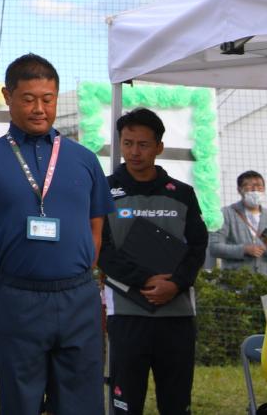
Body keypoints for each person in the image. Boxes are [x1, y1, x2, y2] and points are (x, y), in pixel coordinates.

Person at [0, 53, 113, 415]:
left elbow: (96, 229)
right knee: (20, 399)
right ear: (7, 96)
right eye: (28, 99)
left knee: (82, 400)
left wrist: (75, 276)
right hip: (18, 298)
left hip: (78, 297)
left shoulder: (84, 160)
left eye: (48, 99)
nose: (39, 108)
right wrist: (8, 283)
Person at [99, 107, 208, 415]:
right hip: (127, 315)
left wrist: (175, 284)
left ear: (159, 146)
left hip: (177, 316)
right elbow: (101, 250)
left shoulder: (183, 194)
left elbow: (198, 245)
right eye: (128, 142)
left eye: (143, 144)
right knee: (125, 403)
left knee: (175, 404)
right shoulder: (104, 191)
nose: (134, 151)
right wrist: (145, 280)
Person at [210, 170, 267, 276]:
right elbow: (214, 248)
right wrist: (243, 249)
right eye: (249, 186)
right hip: (236, 281)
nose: (255, 190)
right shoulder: (225, 214)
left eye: (259, 186)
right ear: (239, 190)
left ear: (264, 189)